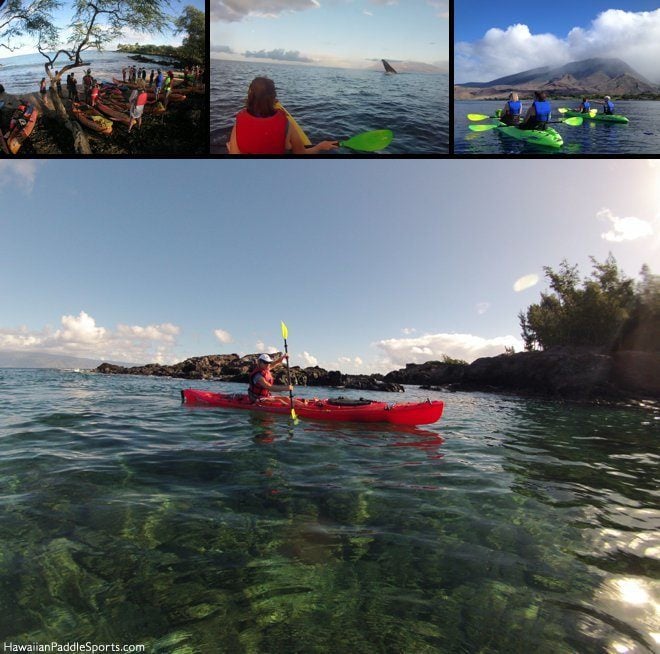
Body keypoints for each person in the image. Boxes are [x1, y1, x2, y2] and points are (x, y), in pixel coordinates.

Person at [228, 77, 338, 155]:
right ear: (273, 97)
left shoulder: (239, 121)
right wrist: (320, 146)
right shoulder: (286, 124)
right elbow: (301, 153)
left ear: (250, 96)